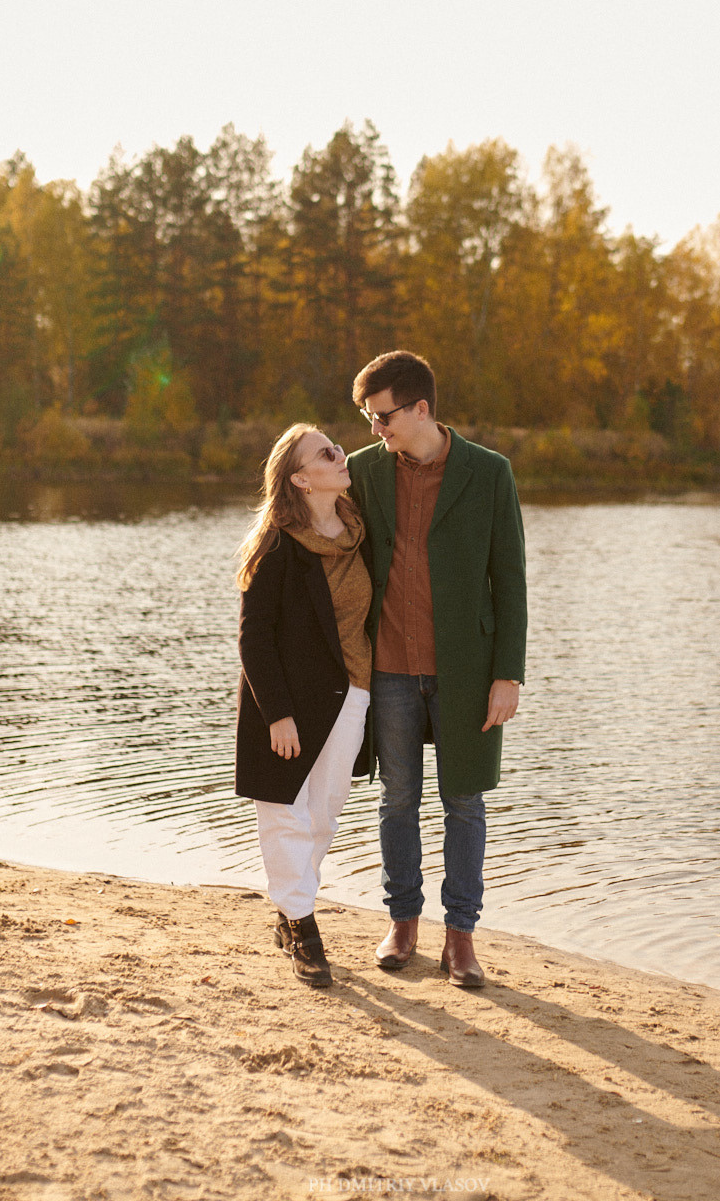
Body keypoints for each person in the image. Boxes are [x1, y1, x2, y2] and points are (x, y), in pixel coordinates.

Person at [346, 351, 527, 988]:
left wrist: (508, 675)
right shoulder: (363, 471)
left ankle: (461, 936)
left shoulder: (489, 472)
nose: (375, 429)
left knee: (464, 802)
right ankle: (402, 923)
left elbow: (510, 579)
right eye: (369, 418)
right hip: (389, 668)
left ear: (420, 408)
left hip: (467, 671)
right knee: (397, 799)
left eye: (383, 416)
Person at [234, 423, 373, 989]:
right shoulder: (277, 546)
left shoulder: (360, 532)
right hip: (287, 704)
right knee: (283, 812)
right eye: (326, 453)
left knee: (322, 816)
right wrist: (278, 714)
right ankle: (303, 929)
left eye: (336, 447)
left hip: (352, 693)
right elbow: (254, 638)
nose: (341, 456)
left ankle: (289, 910)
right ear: (300, 479)